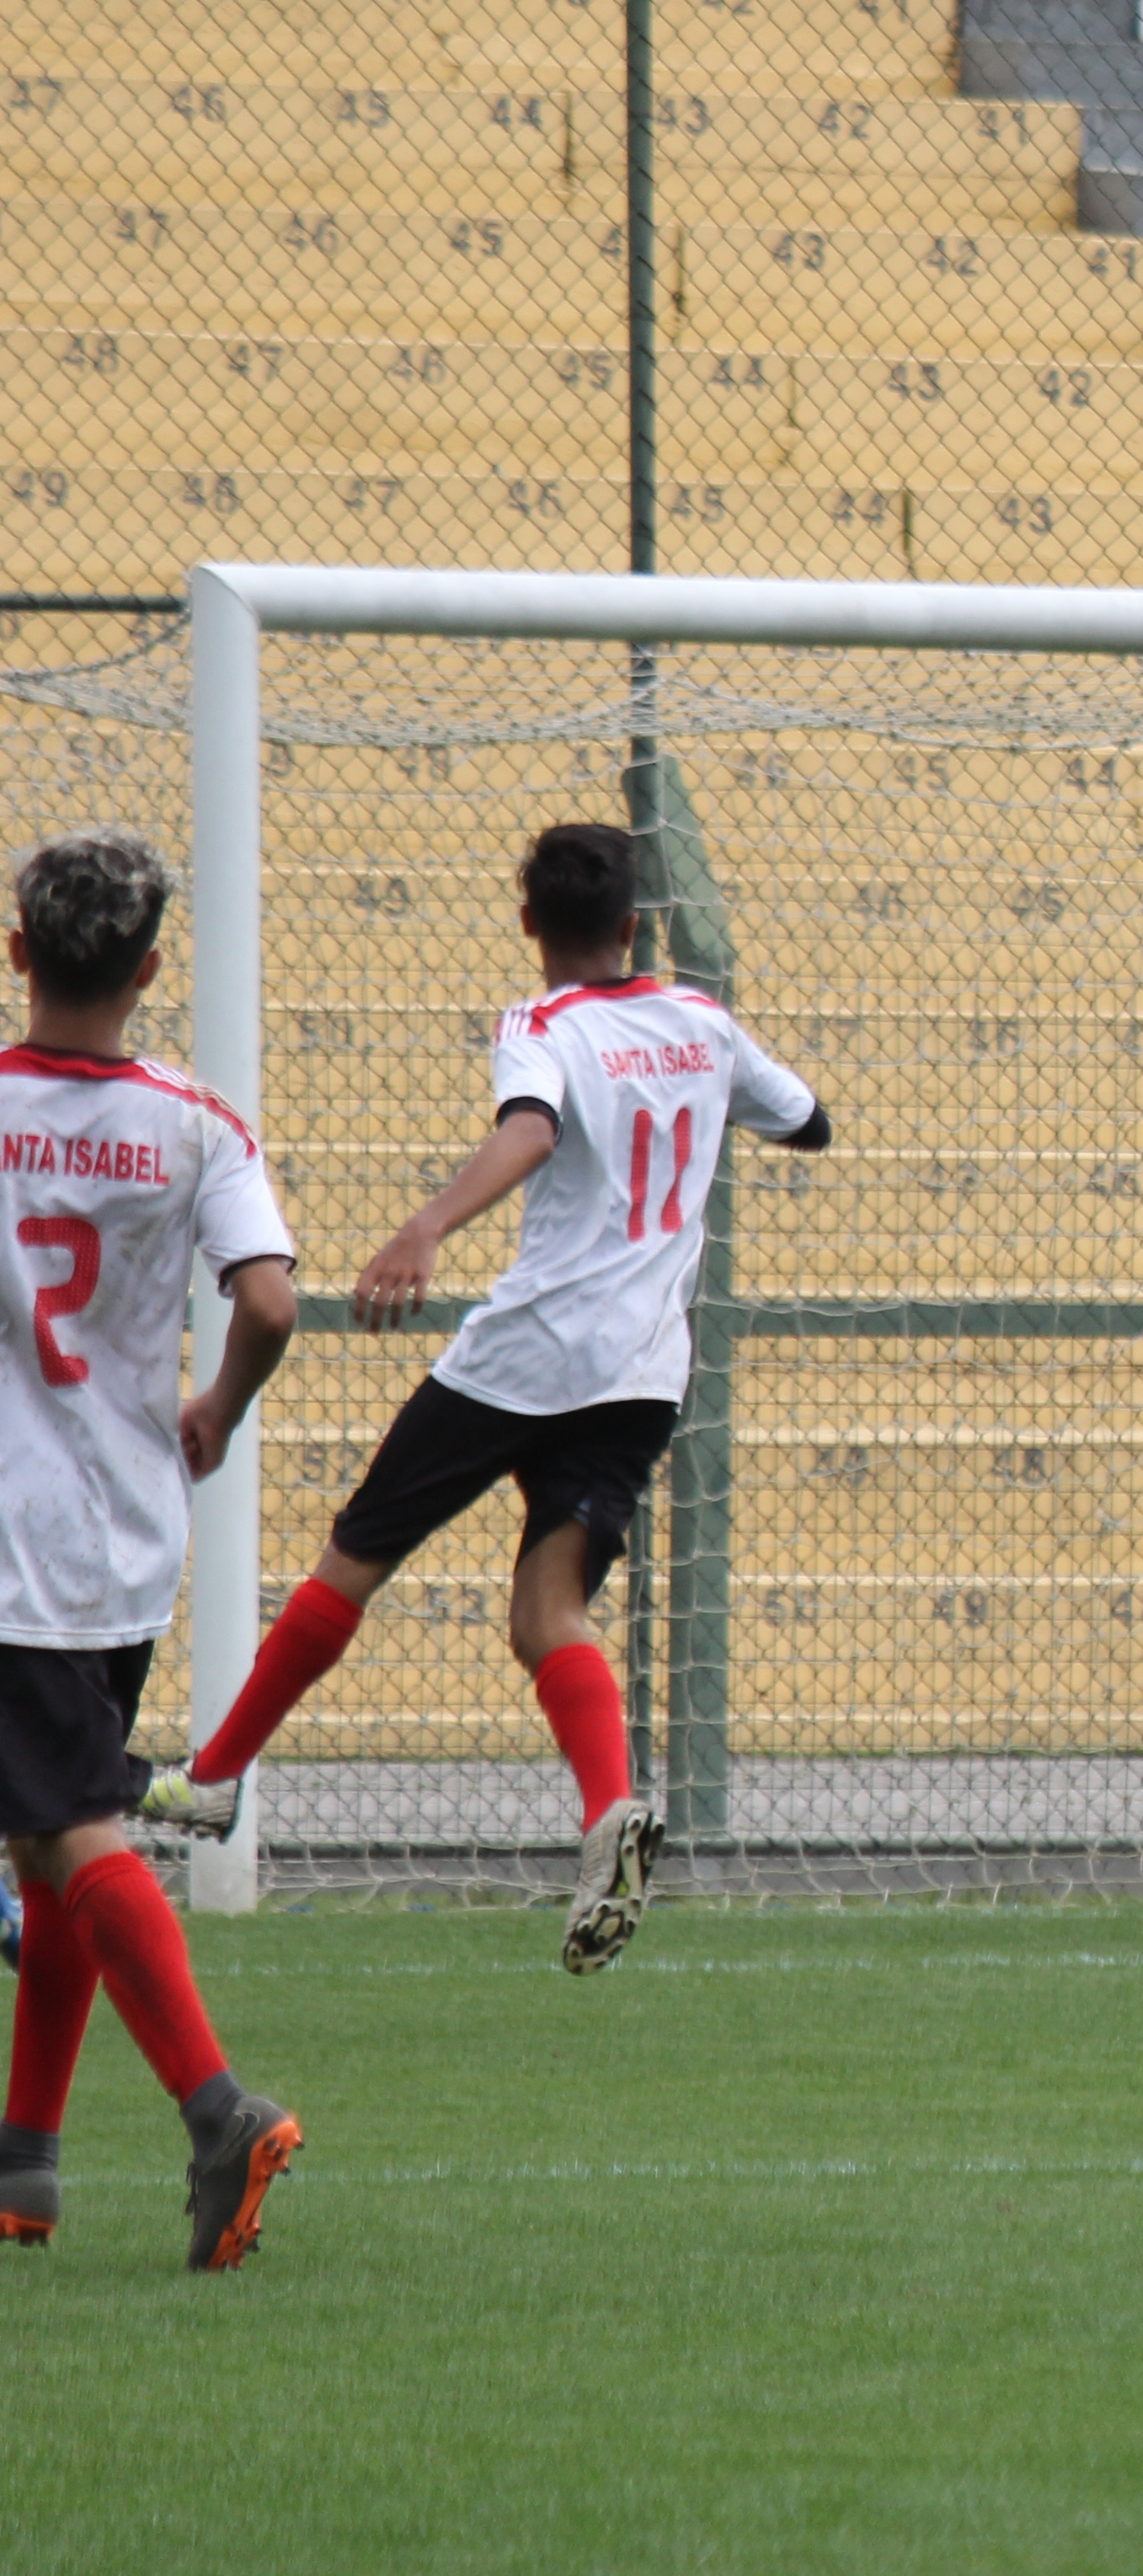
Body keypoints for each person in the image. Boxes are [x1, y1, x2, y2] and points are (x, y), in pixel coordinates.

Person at [141, 824, 828, 1975]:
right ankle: (609, 1810)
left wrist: (426, 1225)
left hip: (524, 1356)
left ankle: (215, 1782)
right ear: (634, 926)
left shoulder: (540, 1025)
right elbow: (807, 1120)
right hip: (644, 1376)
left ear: (529, 927)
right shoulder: (704, 1024)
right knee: (545, 1614)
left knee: (355, 1558)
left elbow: (532, 1126)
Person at [0, 830, 307, 2267]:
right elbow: (268, 1301)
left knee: (69, 1827)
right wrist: (218, 1411)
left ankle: (217, 2109)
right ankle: (28, 2163)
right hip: (128, 1530)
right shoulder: (198, 1121)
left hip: (9, 1538)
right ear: (148, 969)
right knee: (54, 1826)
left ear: (18, 955)